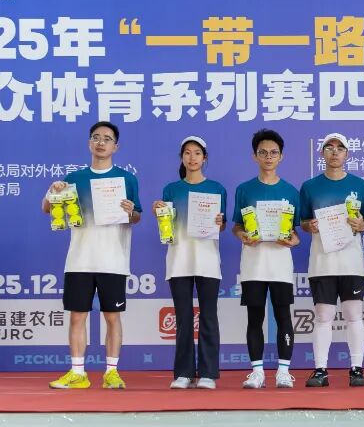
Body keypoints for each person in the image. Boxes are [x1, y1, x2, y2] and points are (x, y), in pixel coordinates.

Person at [45, 121, 142, 390]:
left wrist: (129, 211)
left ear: (115, 146)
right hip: (80, 259)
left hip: (113, 260)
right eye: (96, 137)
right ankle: (78, 373)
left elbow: (136, 217)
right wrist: (53, 191)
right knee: (77, 316)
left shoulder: (126, 179)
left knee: (112, 317)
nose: (101, 142)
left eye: (107, 139)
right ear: (90, 143)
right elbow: (46, 208)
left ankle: (112, 372)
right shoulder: (74, 178)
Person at [299, 133, 364, 388]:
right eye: (329, 147)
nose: (334, 152)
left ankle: (356, 369)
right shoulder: (309, 187)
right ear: (322, 153)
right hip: (322, 262)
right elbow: (303, 222)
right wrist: (310, 225)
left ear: (347, 154)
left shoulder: (360, 185)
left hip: (351, 261)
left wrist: (362, 225)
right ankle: (320, 370)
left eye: (340, 148)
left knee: (354, 315)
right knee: (323, 316)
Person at [156, 136, 227, 389]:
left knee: (208, 316)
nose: (192, 157)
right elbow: (167, 225)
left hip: (208, 260)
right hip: (179, 260)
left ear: (204, 158)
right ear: (182, 158)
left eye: (197, 153)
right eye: (187, 153)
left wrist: (219, 222)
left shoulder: (217, 189)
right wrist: (160, 212)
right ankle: (184, 373)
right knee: (184, 318)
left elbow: (222, 225)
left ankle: (208, 373)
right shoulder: (171, 189)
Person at [232, 128, 301, 389]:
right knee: (255, 317)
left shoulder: (290, 191)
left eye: (273, 152)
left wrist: (293, 241)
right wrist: (242, 235)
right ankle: (257, 372)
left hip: (280, 264)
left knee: (283, 315)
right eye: (263, 152)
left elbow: (295, 233)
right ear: (255, 156)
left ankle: (283, 371)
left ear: (281, 156)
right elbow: (237, 226)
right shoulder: (244, 189)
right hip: (253, 263)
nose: (268, 157)